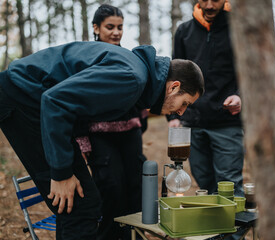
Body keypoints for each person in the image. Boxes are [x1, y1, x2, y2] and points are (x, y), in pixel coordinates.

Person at [0, 42, 204, 240]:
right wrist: (62, 173)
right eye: (184, 103)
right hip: (24, 98)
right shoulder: (131, 78)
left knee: (79, 205)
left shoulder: (135, 72)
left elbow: (78, 107)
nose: (181, 111)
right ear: (174, 87)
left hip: (34, 103)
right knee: (80, 206)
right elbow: (55, 101)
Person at [74, 4, 148, 239]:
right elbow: (75, 100)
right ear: (96, 27)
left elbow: (140, 94)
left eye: (120, 27)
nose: (116, 32)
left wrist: (140, 121)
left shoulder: (128, 57)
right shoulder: (86, 59)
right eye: (110, 27)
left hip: (131, 135)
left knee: (136, 189)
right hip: (100, 137)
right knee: (112, 191)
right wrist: (83, 142)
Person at [168, 0, 245, 197]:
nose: (209, 5)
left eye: (216, 0)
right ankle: (215, 227)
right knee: (204, 184)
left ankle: (233, 229)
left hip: (227, 121)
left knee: (229, 185)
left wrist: (240, 96)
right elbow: (175, 75)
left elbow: (249, 72)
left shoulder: (239, 28)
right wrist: (173, 116)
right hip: (192, 123)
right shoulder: (184, 31)